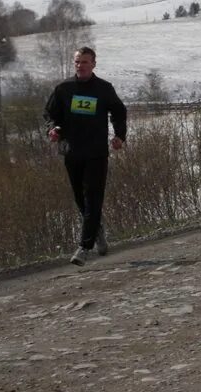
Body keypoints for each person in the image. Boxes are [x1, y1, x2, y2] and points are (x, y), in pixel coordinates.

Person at [44, 47, 127, 267]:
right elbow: (51, 115)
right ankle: (96, 228)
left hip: (96, 152)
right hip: (72, 151)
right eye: (77, 62)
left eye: (85, 62)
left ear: (94, 64)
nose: (80, 66)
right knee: (80, 199)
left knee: (93, 197)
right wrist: (53, 130)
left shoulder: (104, 89)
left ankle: (84, 246)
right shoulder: (64, 89)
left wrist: (119, 135)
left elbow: (119, 111)